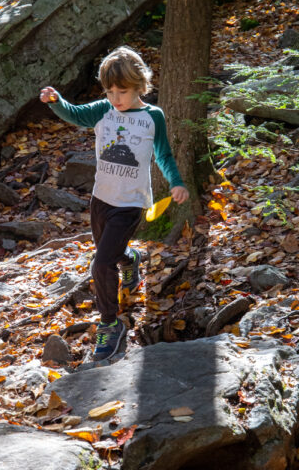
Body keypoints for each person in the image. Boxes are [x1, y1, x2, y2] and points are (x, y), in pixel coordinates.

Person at [40, 46, 189, 361]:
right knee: (111, 255)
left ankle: (110, 323)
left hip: (130, 204)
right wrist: (57, 101)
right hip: (101, 200)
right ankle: (131, 259)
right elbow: (75, 114)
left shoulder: (152, 117)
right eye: (109, 91)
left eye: (122, 91)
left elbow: (163, 153)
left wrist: (175, 182)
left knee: (101, 262)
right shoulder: (103, 109)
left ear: (139, 87)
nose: (116, 98)